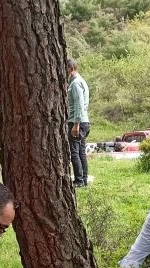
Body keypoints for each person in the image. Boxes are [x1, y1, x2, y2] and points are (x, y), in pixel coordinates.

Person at [66, 58, 90, 187]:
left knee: (74, 152)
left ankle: (79, 180)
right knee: (81, 151)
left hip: (77, 121)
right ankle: (84, 179)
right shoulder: (82, 81)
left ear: (70, 68)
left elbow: (79, 103)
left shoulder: (75, 83)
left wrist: (76, 124)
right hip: (83, 121)